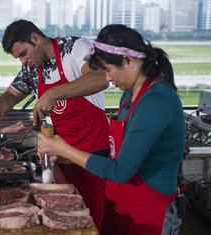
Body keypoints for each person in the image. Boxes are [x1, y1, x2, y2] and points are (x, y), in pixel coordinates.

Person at [37, 24, 185, 235]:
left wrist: (64, 149)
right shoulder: (130, 93)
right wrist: (64, 157)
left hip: (150, 214)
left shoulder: (157, 100)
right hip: (122, 207)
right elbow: (119, 153)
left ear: (128, 61)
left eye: (107, 69)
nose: (106, 78)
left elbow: (121, 171)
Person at [0, 19, 109, 231]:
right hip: (59, 157)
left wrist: (54, 92)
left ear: (36, 38)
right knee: (61, 222)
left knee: (89, 221)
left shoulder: (74, 48)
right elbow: (9, 95)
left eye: (24, 53)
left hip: (91, 157)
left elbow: (101, 77)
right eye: (19, 58)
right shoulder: (32, 68)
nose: (23, 61)